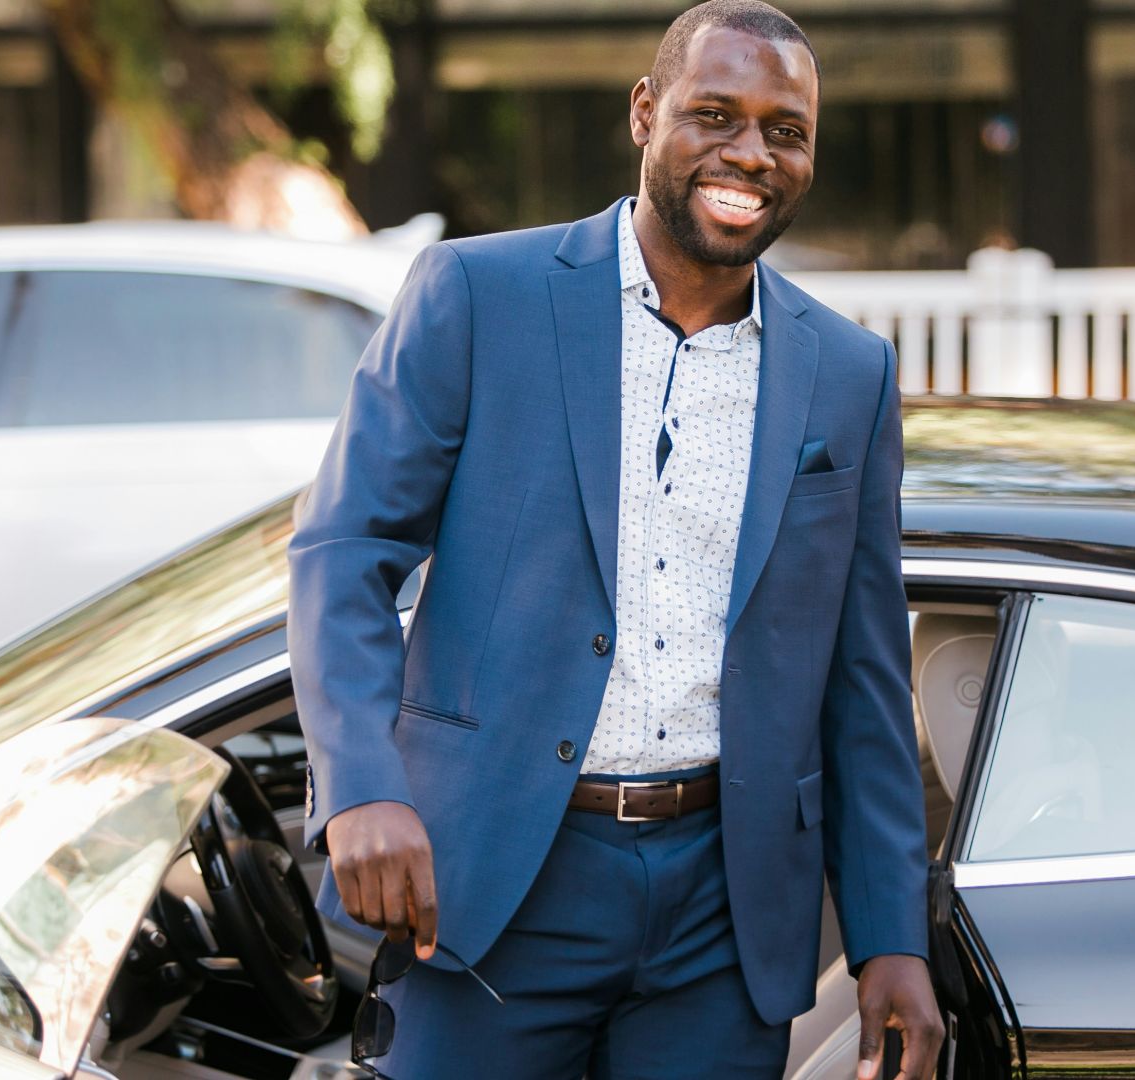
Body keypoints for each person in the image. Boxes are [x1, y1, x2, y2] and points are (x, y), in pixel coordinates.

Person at [286, 2, 941, 1075]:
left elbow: (862, 680)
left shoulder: (850, 375)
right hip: (495, 884)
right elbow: (342, 555)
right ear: (646, 113)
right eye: (715, 114)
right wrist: (361, 783)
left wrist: (889, 939)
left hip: (724, 913)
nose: (750, 153)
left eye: (786, 130)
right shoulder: (476, 297)